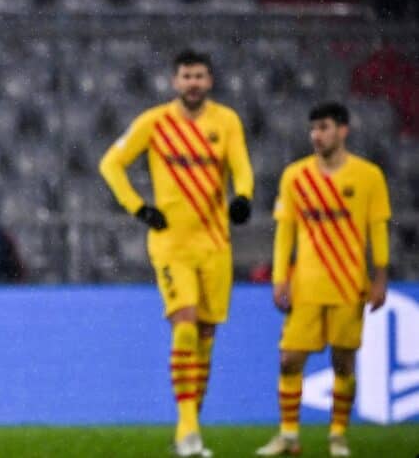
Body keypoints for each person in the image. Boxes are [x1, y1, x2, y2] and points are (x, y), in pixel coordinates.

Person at [99, 49, 254, 456]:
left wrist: (243, 196)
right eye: (186, 76)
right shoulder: (154, 122)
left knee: (205, 337)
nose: (193, 83)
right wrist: (140, 208)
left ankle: (189, 429)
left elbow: (241, 166)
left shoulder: (227, 122)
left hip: (216, 245)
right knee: (184, 326)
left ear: (210, 81)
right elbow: (111, 165)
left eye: (200, 75)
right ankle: (188, 431)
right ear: (175, 82)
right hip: (171, 246)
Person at [256, 102, 390, 457]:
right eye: (313, 128)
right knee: (288, 359)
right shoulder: (295, 175)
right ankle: (288, 436)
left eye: (325, 127)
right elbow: (285, 231)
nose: (317, 135)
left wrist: (380, 277)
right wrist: (279, 277)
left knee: (343, 361)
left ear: (343, 131)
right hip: (307, 285)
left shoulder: (368, 176)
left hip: (349, 284)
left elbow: (377, 228)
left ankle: (337, 435)